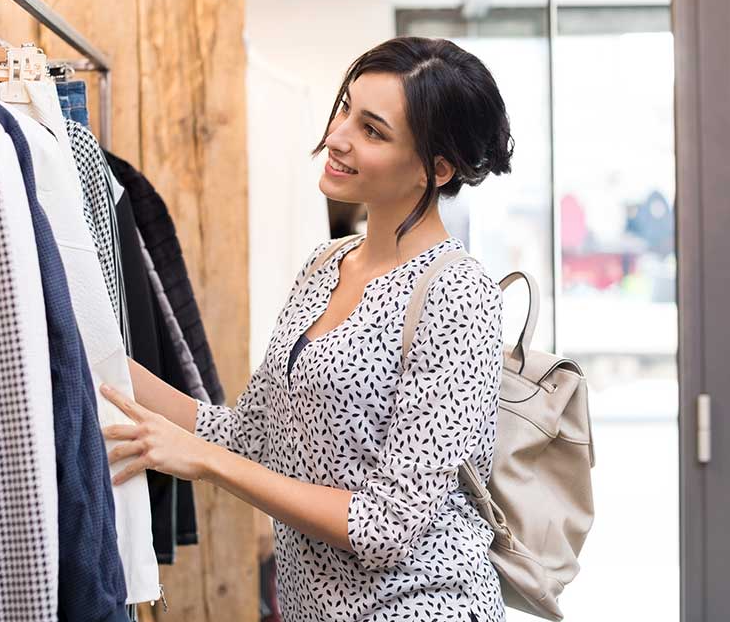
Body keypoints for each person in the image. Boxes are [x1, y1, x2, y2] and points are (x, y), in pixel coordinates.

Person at [99, 36, 514, 622]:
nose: (338, 137)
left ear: (434, 169)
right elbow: (252, 435)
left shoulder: (458, 295)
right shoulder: (324, 266)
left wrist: (203, 460)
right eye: (346, 108)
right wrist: (98, 357)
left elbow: (386, 525)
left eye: (373, 130)